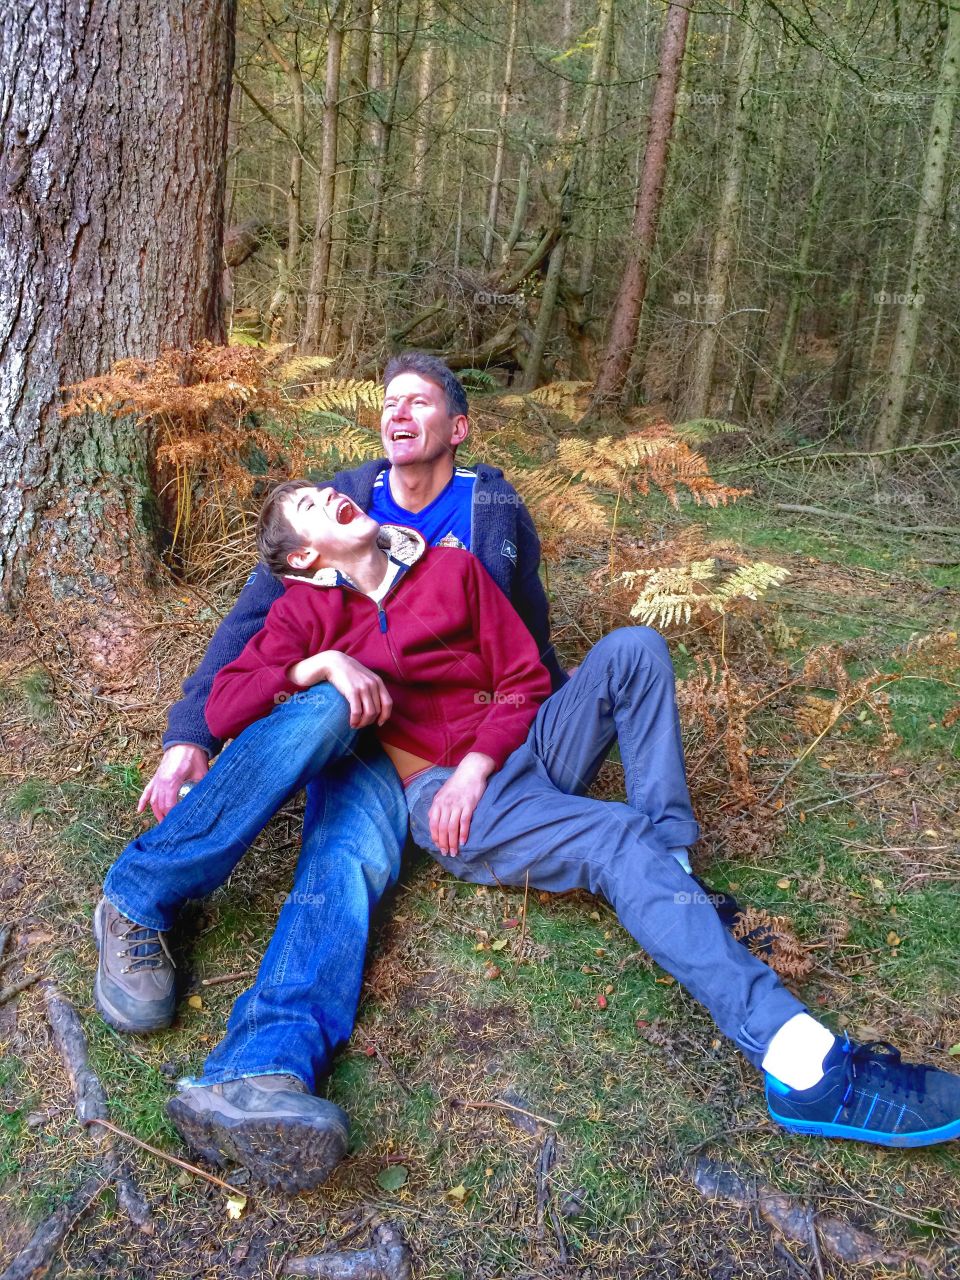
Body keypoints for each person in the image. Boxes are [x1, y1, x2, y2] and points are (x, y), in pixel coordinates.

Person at [97, 481, 960, 1191]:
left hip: (512, 756)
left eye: (328, 491)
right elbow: (227, 703)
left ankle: (674, 868)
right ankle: (806, 1066)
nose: (331, 496)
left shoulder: (452, 568)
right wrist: (320, 665)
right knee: (608, 840)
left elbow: (523, 678)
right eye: (310, 507)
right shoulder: (304, 615)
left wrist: (481, 762)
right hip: (444, 793)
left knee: (633, 649)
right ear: (303, 560)